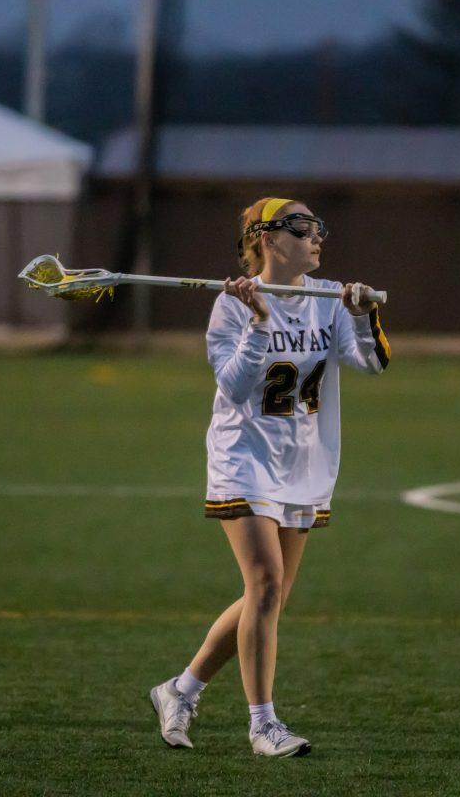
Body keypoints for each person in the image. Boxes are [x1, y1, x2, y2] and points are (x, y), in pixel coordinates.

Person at [149, 197, 390, 757]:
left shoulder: (326, 297)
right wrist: (258, 321)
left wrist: (360, 310)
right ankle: (263, 725)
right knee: (263, 585)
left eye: (316, 227)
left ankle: (179, 690)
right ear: (268, 239)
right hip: (244, 458)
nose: (316, 237)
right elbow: (233, 387)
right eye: (302, 227)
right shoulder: (232, 305)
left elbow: (371, 363)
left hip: (303, 463)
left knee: (270, 595)